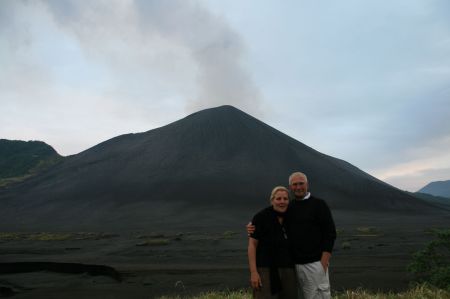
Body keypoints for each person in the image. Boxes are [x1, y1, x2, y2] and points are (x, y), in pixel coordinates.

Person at [248, 172, 336, 299]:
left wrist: (323, 263)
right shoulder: (289, 207)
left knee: (318, 296)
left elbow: (330, 234)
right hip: (294, 266)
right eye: (295, 184)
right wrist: (251, 226)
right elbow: (256, 237)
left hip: (314, 264)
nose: (298, 187)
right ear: (290, 187)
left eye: (301, 184)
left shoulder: (319, 205)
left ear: (307, 185)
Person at [248, 186, 298, 299]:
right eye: (278, 198)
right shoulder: (261, 217)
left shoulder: (292, 217)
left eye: (285, 199)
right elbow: (252, 245)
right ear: (272, 200)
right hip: (265, 270)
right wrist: (254, 272)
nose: (282, 202)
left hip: (288, 270)